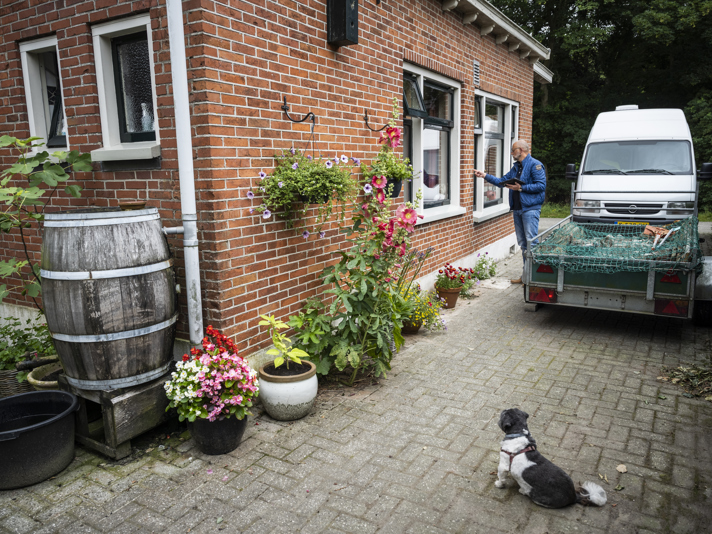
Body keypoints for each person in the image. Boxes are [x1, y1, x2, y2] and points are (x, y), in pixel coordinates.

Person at [474, 140, 546, 284]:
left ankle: (536, 277)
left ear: (520, 150)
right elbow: (502, 181)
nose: (512, 153)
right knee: (523, 244)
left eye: (513, 150)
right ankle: (526, 275)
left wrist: (520, 189)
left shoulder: (535, 165)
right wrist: (484, 175)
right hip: (518, 209)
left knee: (532, 242)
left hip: (530, 209)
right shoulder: (516, 167)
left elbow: (541, 186)